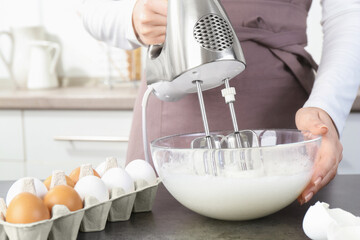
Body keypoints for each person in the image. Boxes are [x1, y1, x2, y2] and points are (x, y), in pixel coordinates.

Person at [81, 0, 360, 205]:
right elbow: (92, 8)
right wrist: (131, 18)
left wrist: (325, 109)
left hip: (284, 108)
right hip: (177, 101)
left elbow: (349, 12)